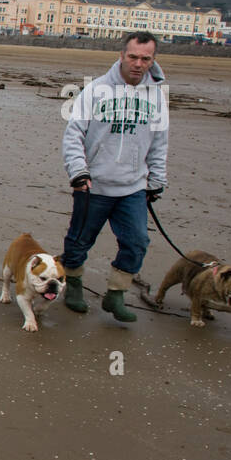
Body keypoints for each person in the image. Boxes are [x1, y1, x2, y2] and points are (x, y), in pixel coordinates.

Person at [61, 31, 168, 320]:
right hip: (93, 184)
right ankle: (72, 285)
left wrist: (156, 180)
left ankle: (116, 294)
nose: (138, 63)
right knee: (79, 240)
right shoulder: (95, 90)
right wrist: (79, 172)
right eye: (133, 56)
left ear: (152, 60)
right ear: (122, 55)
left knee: (137, 242)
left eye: (145, 58)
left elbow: (159, 141)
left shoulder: (157, 96)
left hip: (133, 187)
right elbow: (73, 135)